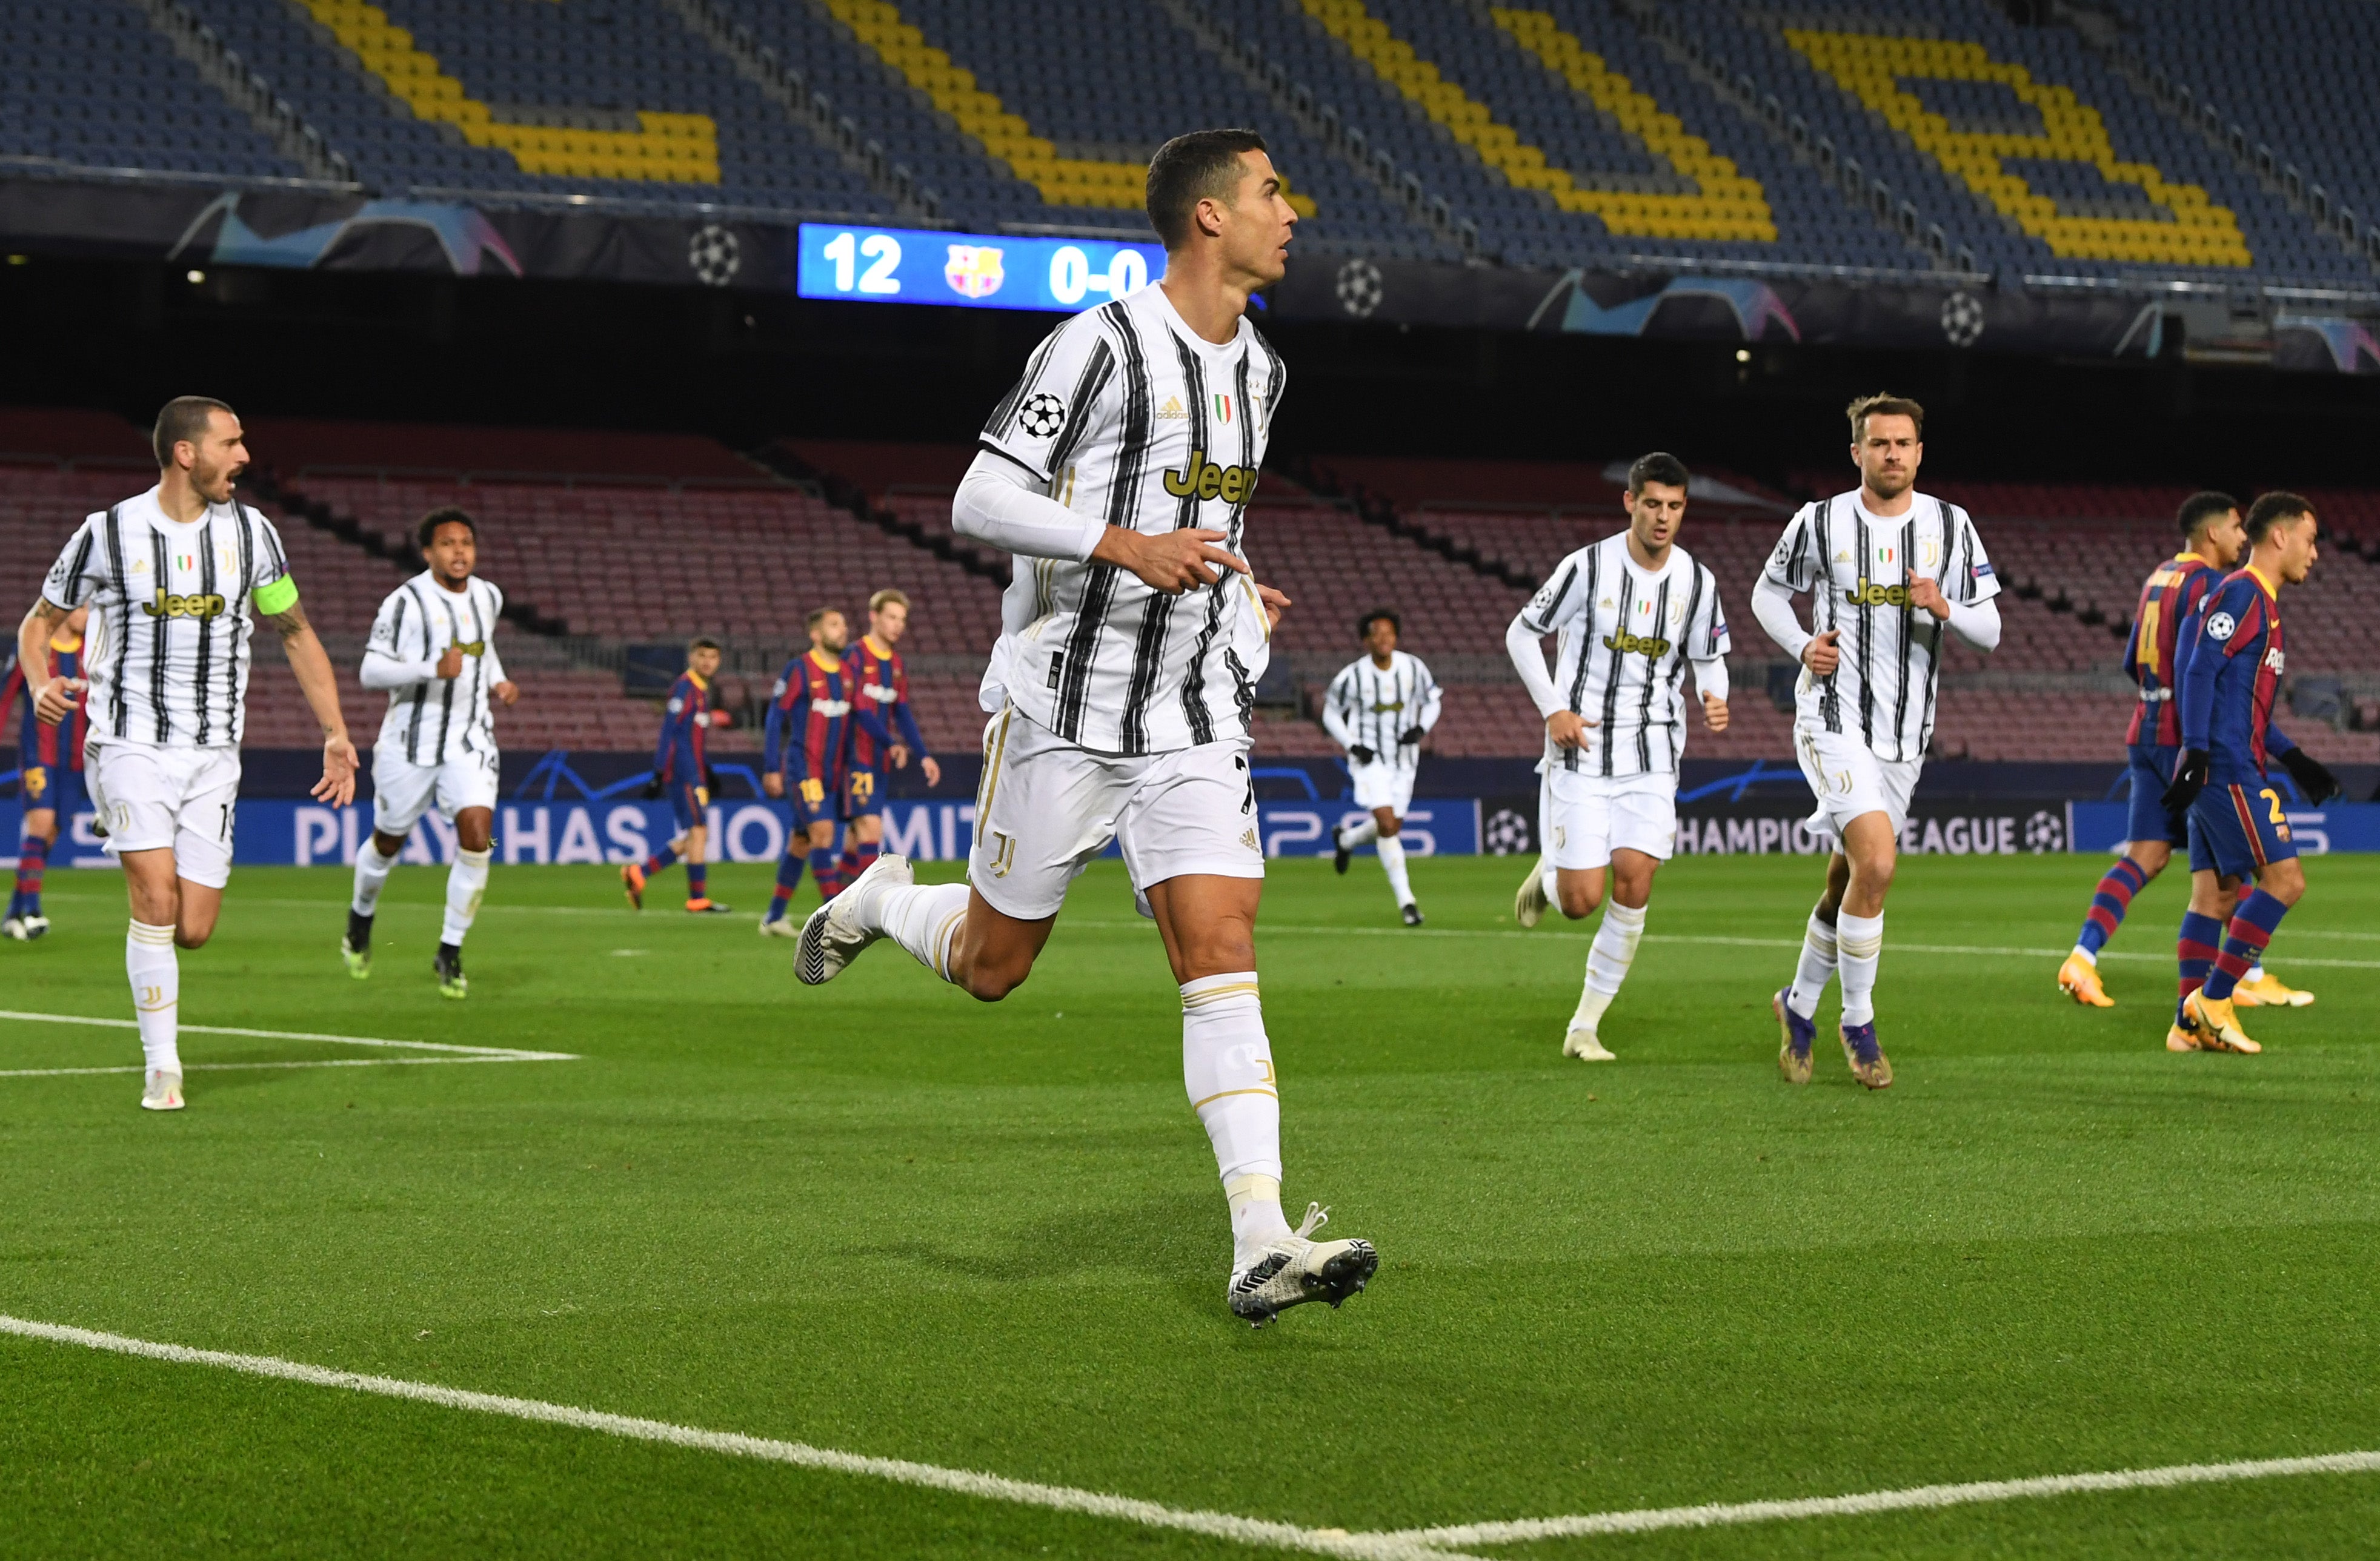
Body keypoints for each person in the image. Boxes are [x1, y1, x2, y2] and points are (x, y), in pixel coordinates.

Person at [792, 128, 1377, 1328]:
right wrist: (1120, 544)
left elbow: (1208, 519)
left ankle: (1259, 1237)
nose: (1289, 213)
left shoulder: (1262, 371)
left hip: (1189, 713)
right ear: (1209, 216)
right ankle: (882, 901)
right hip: (1061, 706)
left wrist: (1230, 591)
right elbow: (978, 496)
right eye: (1270, 193)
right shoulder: (1098, 344)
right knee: (992, 967)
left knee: (1219, 949)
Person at [19, 396, 356, 1110]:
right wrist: (43, 681)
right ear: (186, 453)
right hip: (129, 741)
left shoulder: (254, 534)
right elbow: (38, 624)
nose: (245, 457)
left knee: (193, 929)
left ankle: (141, 870)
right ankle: (162, 1067)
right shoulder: (107, 533)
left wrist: (336, 732)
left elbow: (295, 630)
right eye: (231, 443)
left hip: (214, 753)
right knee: (154, 896)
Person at [1752, 394, 2001, 1090]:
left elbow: (1990, 630)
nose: (1891, 453)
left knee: (1850, 878)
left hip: (1905, 733)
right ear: (1856, 452)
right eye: (1879, 442)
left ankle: (1797, 1006)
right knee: (1879, 864)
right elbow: (1766, 594)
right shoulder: (1820, 520)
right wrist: (1803, 645)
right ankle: (1857, 1023)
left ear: (1919, 453)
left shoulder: (1951, 525)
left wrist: (1944, 606)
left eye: (1902, 443)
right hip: (1831, 715)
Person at [1505, 453, 1730, 1059]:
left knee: (1635, 881)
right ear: (1630, 502)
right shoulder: (1587, 567)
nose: (1662, 517)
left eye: (1674, 506)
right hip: (1581, 747)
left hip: (1653, 752)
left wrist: (1714, 695)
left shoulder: (1697, 582)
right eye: (1652, 504)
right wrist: (1554, 709)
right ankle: (1552, 877)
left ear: (1684, 509)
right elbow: (1521, 634)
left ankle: (1585, 1026)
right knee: (1581, 902)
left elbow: (1709, 656)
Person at [2057, 492, 2310, 1011]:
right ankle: (2243, 977)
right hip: (2188, 739)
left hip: (2145, 729)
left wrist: (2158, 697)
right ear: (2213, 532)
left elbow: (2132, 659)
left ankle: (2083, 955)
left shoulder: (2159, 577)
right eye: (2236, 528)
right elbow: (2203, 666)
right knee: (2235, 863)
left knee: (2146, 857)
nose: (2242, 538)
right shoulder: (2215, 585)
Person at [2164, 492, 2338, 1055]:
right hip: (2227, 765)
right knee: (2285, 880)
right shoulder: (2243, 594)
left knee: (2214, 897)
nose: (2315, 553)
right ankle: (2214, 1002)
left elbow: (2242, 701)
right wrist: (2197, 752)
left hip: (2227, 759)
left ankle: (2187, 1026)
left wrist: (2295, 758)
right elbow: (2198, 669)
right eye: (2310, 540)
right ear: (2281, 536)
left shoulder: (2262, 604)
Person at [341, 508, 519, 998]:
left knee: (478, 837)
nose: (459, 551)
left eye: (466, 542)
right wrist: (429, 669)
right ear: (427, 552)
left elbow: (482, 647)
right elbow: (370, 671)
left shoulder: (488, 596)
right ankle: (360, 918)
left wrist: (499, 679)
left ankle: (450, 949)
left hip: (470, 740)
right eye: (447, 543)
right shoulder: (405, 603)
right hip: (410, 745)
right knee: (387, 842)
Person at [759, 607, 884, 929]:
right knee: (824, 832)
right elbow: (775, 716)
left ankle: (773, 918)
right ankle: (835, 917)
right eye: (834, 625)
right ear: (816, 634)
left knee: (802, 841)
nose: (843, 630)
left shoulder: (847, 673)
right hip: (804, 767)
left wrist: (890, 742)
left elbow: (864, 714)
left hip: (833, 772)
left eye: (843, 624)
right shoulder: (799, 669)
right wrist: (771, 767)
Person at [1324, 610, 1441, 925]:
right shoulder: (1353, 676)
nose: (1383, 639)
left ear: (1396, 637)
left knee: (1391, 827)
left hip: (1405, 760)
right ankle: (1408, 903)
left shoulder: (1413, 668)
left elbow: (1433, 701)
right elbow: (1330, 713)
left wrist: (1421, 728)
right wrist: (1352, 744)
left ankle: (1346, 840)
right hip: (1370, 759)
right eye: (1376, 634)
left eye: (1389, 633)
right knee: (1388, 824)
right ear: (1366, 640)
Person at [836, 588, 940, 893]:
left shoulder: (895, 664)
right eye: (892, 617)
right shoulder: (855, 655)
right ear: (874, 617)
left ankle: (835, 897)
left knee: (857, 834)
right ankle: (867, 901)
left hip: (880, 758)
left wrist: (923, 754)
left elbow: (902, 711)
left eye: (902, 620)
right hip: (855, 755)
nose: (898, 625)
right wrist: (890, 741)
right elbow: (857, 708)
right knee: (871, 827)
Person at [622, 637, 731, 913]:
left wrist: (708, 770)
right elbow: (669, 731)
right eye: (702, 656)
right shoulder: (685, 688)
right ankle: (696, 898)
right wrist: (659, 772)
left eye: (713, 657)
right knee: (698, 831)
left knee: (697, 834)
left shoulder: (702, 690)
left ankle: (639, 873)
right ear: (691, 657)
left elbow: (693, 738)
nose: (708, 662)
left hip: (695, 772)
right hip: (683, 772)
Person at [2, 603, 90, 940]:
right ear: (67, 609)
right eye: (84, 607)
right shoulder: (34, 648)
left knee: (51, 833)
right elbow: (5, 698)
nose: (89, 615)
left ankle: (14, 912)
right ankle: (33, 911)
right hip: (38, 753)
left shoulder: (91, 651)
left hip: (75, 759)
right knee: (40, 823)